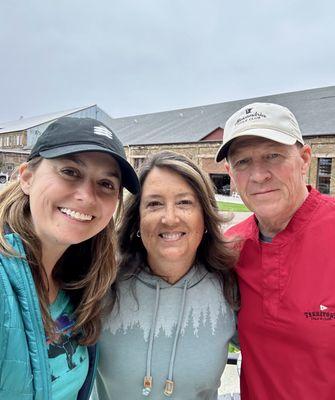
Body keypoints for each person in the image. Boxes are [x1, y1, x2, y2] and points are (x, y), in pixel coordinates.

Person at [0, 117, 139, 400]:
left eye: (106, 184)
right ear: (26, 177)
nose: (87, 196)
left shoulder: (81, 279)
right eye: (70, 171)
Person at [92, 151, 239, 400]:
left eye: (184, 203)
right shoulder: (102, 283)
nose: (169, 218)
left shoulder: (230, 285)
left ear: (205, 216)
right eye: (154, 204)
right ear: (137, 218)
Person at [216, 102, 335, 399]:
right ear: (230, 173)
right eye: (243, 162)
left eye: (273, 155)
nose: (258, 175)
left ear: (304, 158)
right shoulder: (229, 249)